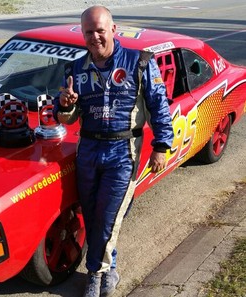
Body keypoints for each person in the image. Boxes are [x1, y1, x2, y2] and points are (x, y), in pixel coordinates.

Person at [53, 5, 174, 297]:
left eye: (99, 30)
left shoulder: (140, 62)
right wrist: (66, 105)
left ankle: (94, 274)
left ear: (113, 30)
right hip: (88, 150)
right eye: (88, 32)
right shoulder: (75, 69)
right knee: (94, 215)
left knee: (108, 217)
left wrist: (161, 145)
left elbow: (159, 106)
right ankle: (111, 269)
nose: (94, 37)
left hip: (123, 152)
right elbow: (64, 118)